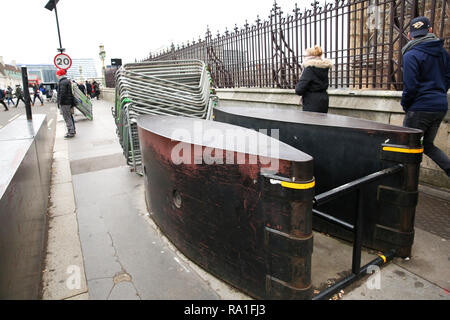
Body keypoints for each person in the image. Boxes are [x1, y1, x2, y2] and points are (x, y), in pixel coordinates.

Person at [401, 16, 450, 177]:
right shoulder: (443, 53)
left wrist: (406, 105)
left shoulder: (411, 55)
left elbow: (411, 86)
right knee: (427, 145)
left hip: (420, 108)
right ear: (430, 31)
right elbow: (447, 78)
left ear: (410, 35)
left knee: (405, 146)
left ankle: (404, 186)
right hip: (440, 106)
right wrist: (438, 94)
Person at [295, 45, 333, 113]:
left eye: (305, 56)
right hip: (323, 99)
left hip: (311, 101)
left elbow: (299, 90)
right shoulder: (324, 68)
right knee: (321, 122)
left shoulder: (309, 69)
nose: (303, 58)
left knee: (311, 122)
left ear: (309, 56)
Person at [56, 69, 76, 139]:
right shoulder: (66, 81)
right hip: (68, 102)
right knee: (69, 116)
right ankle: (72, 130)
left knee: (67, 117)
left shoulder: (62, 82)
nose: (56, 76)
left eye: (57, 74)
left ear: (60, 75)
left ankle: (71, 132)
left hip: (65, 103)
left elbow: (62, 94)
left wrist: (60, 102)